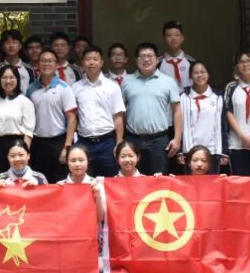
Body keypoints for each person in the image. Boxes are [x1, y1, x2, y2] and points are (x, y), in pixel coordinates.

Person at [121, 42, 182, 176]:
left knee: (159, 179)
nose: (146, 59)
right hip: (133, 139)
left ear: (157, 59)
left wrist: (177, 138)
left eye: (150, 56)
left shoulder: (168, 81)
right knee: (133, 179)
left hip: (158, 140)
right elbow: (120, 112)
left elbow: (177, 111)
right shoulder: (127, 81)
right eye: (142, 56)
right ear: (136, 60)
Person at [72, 45, 125, 178]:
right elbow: (73, 117)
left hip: (107, 142)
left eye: (95, 59)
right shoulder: (75, 88)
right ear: (82, 62)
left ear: (101, 62)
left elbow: (118, 117)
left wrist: (119, 143)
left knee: (111, 181)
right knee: (85, 181)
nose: (91, 63)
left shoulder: (112, 86)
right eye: (88, 59)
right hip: (84, 142)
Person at [26, 49, 77, 183]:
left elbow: (72, 118)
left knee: (60, 182)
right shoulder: (31, 89)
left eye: (49, 61)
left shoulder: (65, 88)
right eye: (42, 61)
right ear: (38, 65)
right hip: (37, 142)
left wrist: (67, 146)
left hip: (58, 141)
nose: (46, 64)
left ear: (56, 65)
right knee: (38, 182)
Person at [0, 64, 35, 176]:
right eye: (4, 77)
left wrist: (24, 154)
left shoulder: (25, 102)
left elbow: (28, 133)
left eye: (12, 77)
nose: (8, 81)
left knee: (18, 179)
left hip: (18, 145)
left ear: (17, 79)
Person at [179, 61, 226, 174]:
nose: (199, 75)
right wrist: (180, 151)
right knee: (190, 183)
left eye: (203, 72)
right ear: (190, 76)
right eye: (196, 73)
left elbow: (224, 125)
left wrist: (224, 151)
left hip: (212, 150)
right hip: (190, 150)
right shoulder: (184, 97)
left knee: (212, 183)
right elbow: (179, 125)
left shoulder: (218, 97)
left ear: (208, 74)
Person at [59, 145, 106, 222]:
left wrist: (97, 195)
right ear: (67, 162)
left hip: (90, 228)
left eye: (81, 160)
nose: (77, 164)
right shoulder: (60, 186)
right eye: (73, 160)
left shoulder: (97, 185)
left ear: (88, 161)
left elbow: (100, 218)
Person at [158, 20, 196, 90]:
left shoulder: (192, 62)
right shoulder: (157, 63)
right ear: (164, 38)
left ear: (182, 38)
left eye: (177, 35)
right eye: (169, 35)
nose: (173, 38)